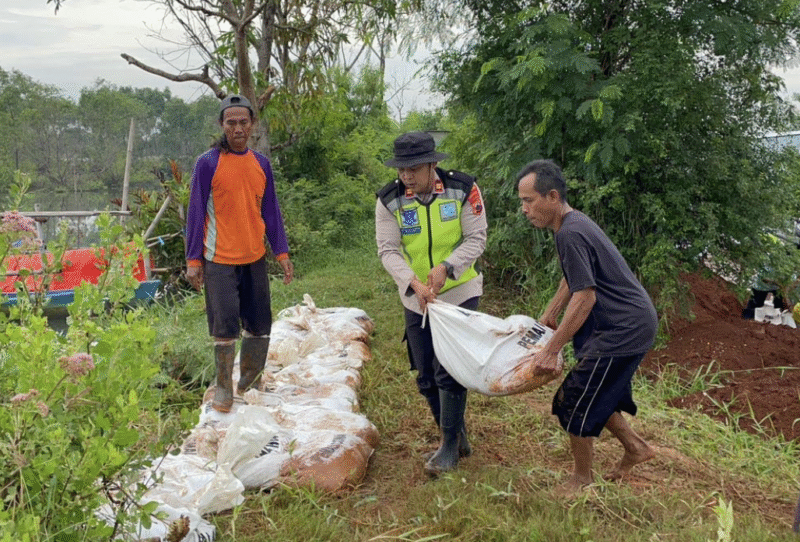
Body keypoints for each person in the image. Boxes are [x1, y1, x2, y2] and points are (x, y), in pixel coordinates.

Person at [516, 159, 657, 493]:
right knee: (598, 393)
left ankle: (581, 480)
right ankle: (637, 449)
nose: (524, 209)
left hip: (622, 329)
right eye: (522, 201)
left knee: (574, 398)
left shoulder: (570, 232)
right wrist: (550, 314)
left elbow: (585, 297)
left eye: (529, 200)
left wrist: (552, 349)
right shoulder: (571, 224)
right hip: (629, 323)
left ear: (552, 196)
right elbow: (574, 279)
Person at [376, 131, 487, 475]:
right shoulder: (390, 199)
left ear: (432, 164)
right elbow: (389, 250)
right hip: (417, 299)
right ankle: (456, 433)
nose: (406, 175)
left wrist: (447, 268)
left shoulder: (463, 189)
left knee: (448, 371)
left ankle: (449, 446)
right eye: (401, 169)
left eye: (413, 168)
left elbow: (476, 238)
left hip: (458, 293)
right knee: (425, 375)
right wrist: (413, 282)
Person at [185, 94, 294, 413]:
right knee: (224, 325)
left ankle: (250, 382)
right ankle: (223, 388)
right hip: (219, 260)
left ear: (252, 125)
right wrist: (193, 260)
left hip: (254, 257)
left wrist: (282, 253)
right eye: (231, 122)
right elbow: (195, 214)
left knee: (260, 324)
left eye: (243, 122)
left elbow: (271, 212)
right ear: (222, 125)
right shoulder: (207, 163)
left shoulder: (261, 164)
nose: (237, 128)